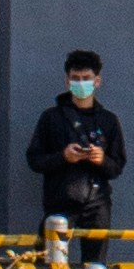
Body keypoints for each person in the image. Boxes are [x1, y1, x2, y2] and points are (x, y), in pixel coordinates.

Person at [27, 52, 126, 244]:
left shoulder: (109, 121)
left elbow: (117, 166)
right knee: (49, 261)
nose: (81, 84)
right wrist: (63, 157)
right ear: (67, 81)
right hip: (60, 200)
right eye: (75, 78)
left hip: (97, 202)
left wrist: (101, 160)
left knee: (95, 266)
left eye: (86, 79)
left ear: (97, 81)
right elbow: (34, 159)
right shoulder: (51, 118)